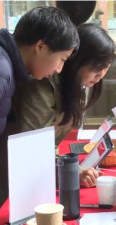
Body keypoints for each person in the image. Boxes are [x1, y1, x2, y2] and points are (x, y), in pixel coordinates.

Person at [11, 23, 116, 187]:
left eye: (106, 67)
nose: (100, 75)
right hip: (16, 177)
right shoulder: (42, 84)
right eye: (96, 67)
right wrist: (71, 172)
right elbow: (32, 148)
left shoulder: (75, 85)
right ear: (76, 61)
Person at [0, 6, 79, 206]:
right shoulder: (3, 71)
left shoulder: (7, 65)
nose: (58, 69)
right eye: (61, 59)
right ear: (41, 46)